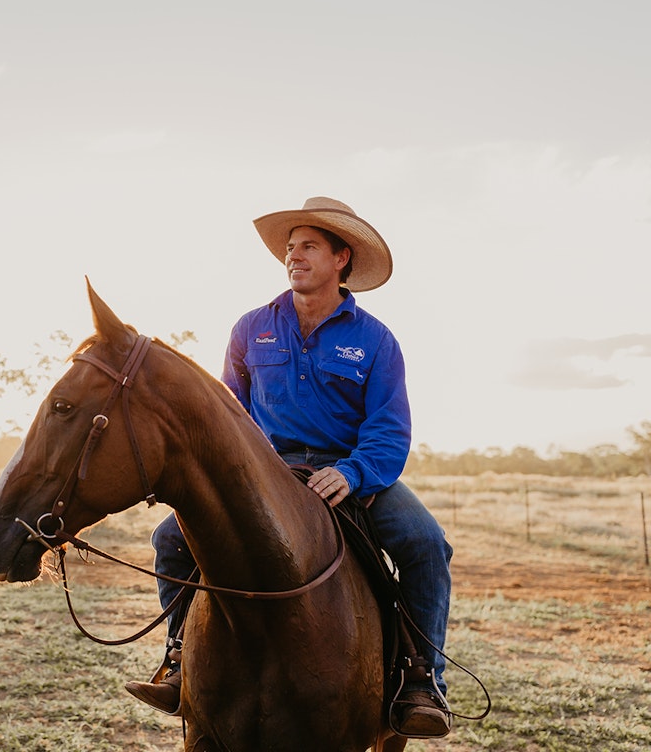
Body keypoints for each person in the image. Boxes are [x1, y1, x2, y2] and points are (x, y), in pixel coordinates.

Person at [124, 196, 454, 738]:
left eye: (308, 247)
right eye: (289, 248)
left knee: (425, 544)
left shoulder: (375, 340)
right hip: (264, 473)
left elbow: (389, 430)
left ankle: (420, 680)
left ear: (341, 257)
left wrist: (353, 473)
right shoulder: (251, 328)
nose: (293, 257)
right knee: (171, 539)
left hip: (348, 473)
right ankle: (180, 658)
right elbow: (228, 417)